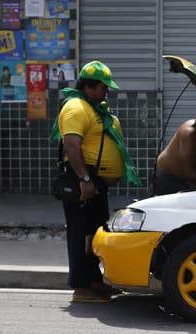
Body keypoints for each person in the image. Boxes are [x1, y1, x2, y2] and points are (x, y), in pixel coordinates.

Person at [50, 60, 141, 303]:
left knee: (94, 235)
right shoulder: (76, 107)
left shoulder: (93, 107)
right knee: (81, 235)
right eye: (103, 87)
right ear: (89, 86)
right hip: (84, 179)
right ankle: (80, 288)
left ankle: (93, 281)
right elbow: (72, 143)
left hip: (95, 182)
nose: (106, 92)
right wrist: (85, 178)